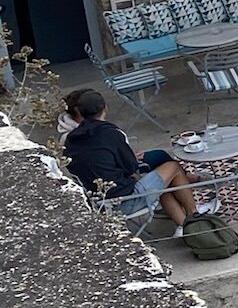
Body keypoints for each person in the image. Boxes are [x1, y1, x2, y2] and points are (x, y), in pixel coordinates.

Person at [63, 89, 215, 235]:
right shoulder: (110, 133)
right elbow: (131, 168)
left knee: (159, 179)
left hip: (98, 203)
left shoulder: (70, 139)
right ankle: (194, 216)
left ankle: (185, 227)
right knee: (172, 167)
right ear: (105, 108)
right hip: (125, 201)